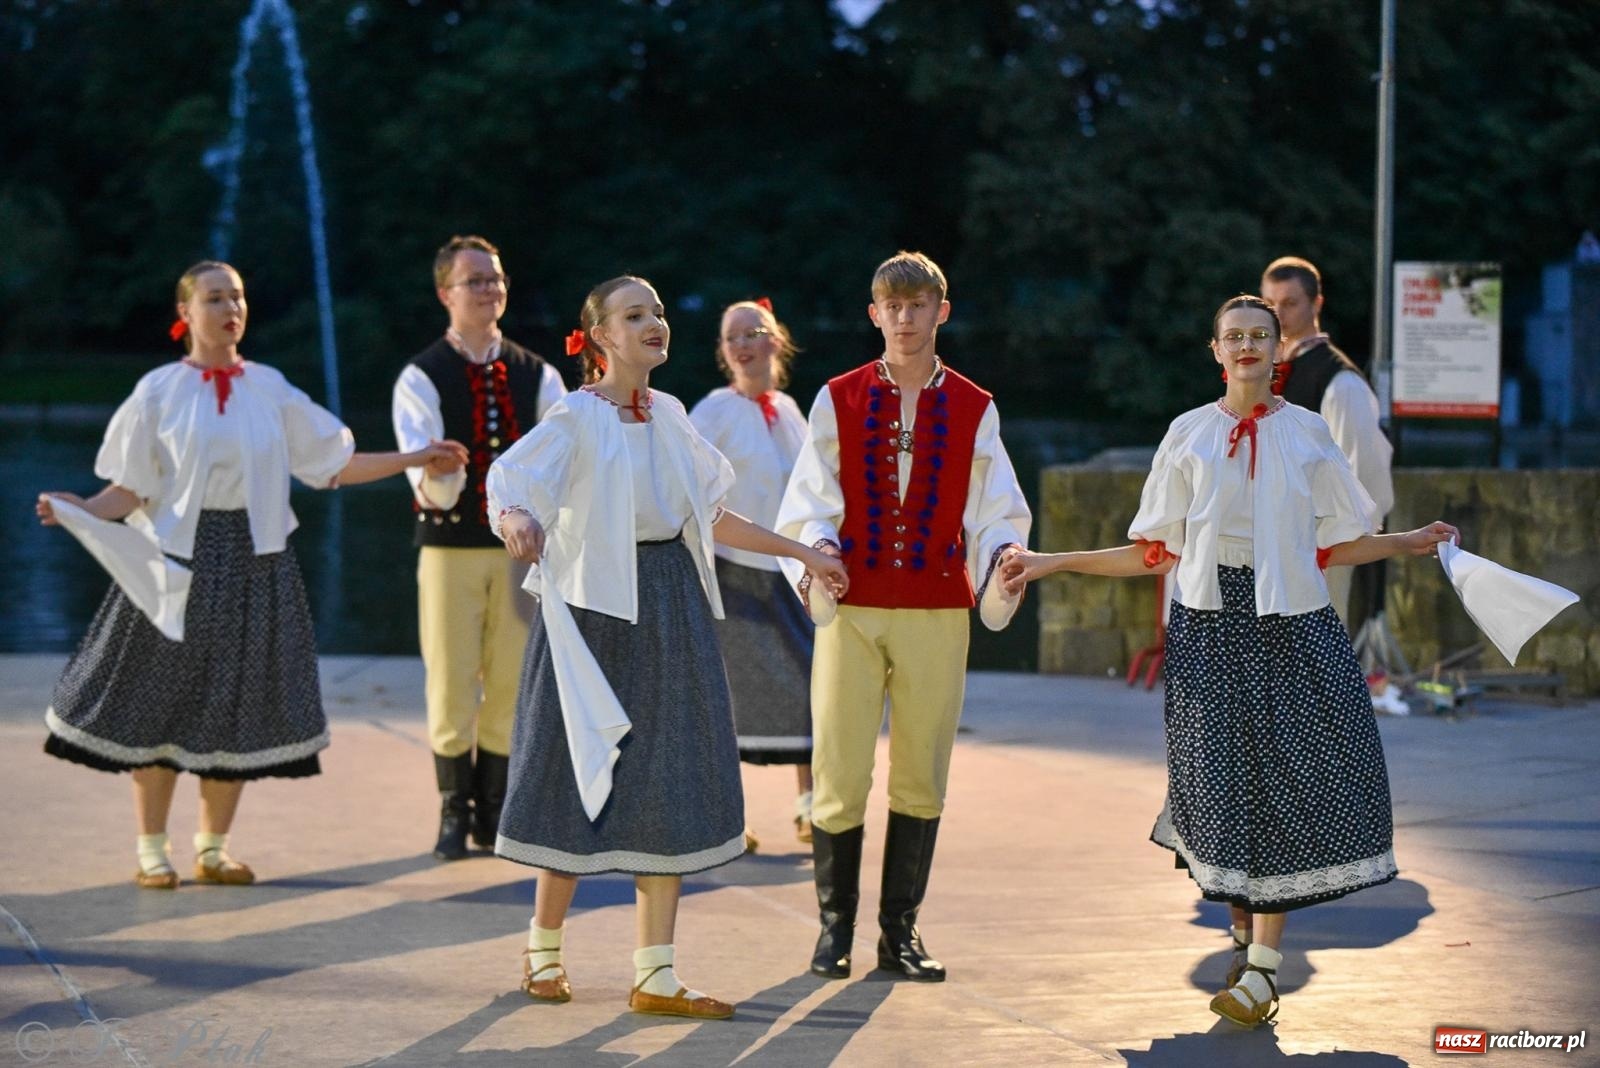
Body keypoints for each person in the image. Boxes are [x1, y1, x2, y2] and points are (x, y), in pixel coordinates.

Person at [1000, 295, 1457, 1028]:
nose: (1246, 346)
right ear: (1215, 352)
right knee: (1224, 786)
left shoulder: (1309, 434)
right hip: (1208, 630)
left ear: (1278, 353)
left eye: (1259, 336)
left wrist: (1405, 542)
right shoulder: (1187, 434)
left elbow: (1338, 540)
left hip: (1291, 625)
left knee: (1285, 781)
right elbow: (1153, 550)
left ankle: (1264, 972)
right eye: (1233, 336)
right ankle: (1247, 939)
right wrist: (1052, 562)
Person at [486, 275, 849, 1021]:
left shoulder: (674, 415)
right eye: (633, 315)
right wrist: (516, 520)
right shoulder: (576, 417)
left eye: (656, 311)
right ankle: (543, 952)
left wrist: (801, 553)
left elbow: (713, 515)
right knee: (576, 770)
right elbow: (511, 480)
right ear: (600, 338)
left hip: (671, 603)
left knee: (670, 775)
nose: (653, 322)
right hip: (592, 612)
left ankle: (655, 974)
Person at [38, 260, 467, 890]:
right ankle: (152, 849)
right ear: (185, 313)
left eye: (236, 296)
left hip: (257, 559)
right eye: (215, 298)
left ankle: (212, 849)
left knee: (237, 705)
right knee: (160, 702)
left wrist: (417, 457)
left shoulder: (270, 387)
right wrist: (77, 509)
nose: (230, 308)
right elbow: (129, 490)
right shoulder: (158, 390)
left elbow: (333, 465)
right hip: (175, 562)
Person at [775, 251, 1032, 984]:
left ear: (942, 311)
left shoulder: (978, 406)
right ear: (875, 314)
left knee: (923, 774)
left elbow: (996, 509)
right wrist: (819, 544)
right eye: (894, 305)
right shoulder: (838, 397)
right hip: (853, 607)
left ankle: (900, 934)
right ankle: (833, 933)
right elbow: (810, 494)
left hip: (936, 607)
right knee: (839, 769)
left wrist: (1006, 554)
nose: (907, 318)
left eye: (921, 305)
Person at [393, 235, 566, 862]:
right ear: (446, 293)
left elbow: (558, 457)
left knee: (514, 679)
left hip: (519, 552)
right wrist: (441, 472)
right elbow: (426, 477)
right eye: (474, 281)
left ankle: (494, 809)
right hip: (448, 547)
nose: (489, 289)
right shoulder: (421, 375)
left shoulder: (537, 373)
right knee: (450, 680)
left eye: (494, 279)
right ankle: (451, 809)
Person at [689, 298, 815, 851]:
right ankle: (726, 818)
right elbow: (685, 486)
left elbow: (813, 490)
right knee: (729, 696)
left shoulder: (790, 410)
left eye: (751, 333)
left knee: (812, 684)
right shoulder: (711, 412)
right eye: (730, 337)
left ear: (775, 341)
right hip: (730, 571)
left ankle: (812, 807)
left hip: (787, 571)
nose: (740, 345)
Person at [1260, 256, 1394, 628]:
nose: (1278, 314)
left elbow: (1366, 474)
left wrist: (1338, 542)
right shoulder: (1267, 373)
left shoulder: (1341, 383)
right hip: (1275, 543)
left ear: (1315, 304)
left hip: (1322, 547)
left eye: (1289, 303)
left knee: (1323, 660)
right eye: (1269, 304)